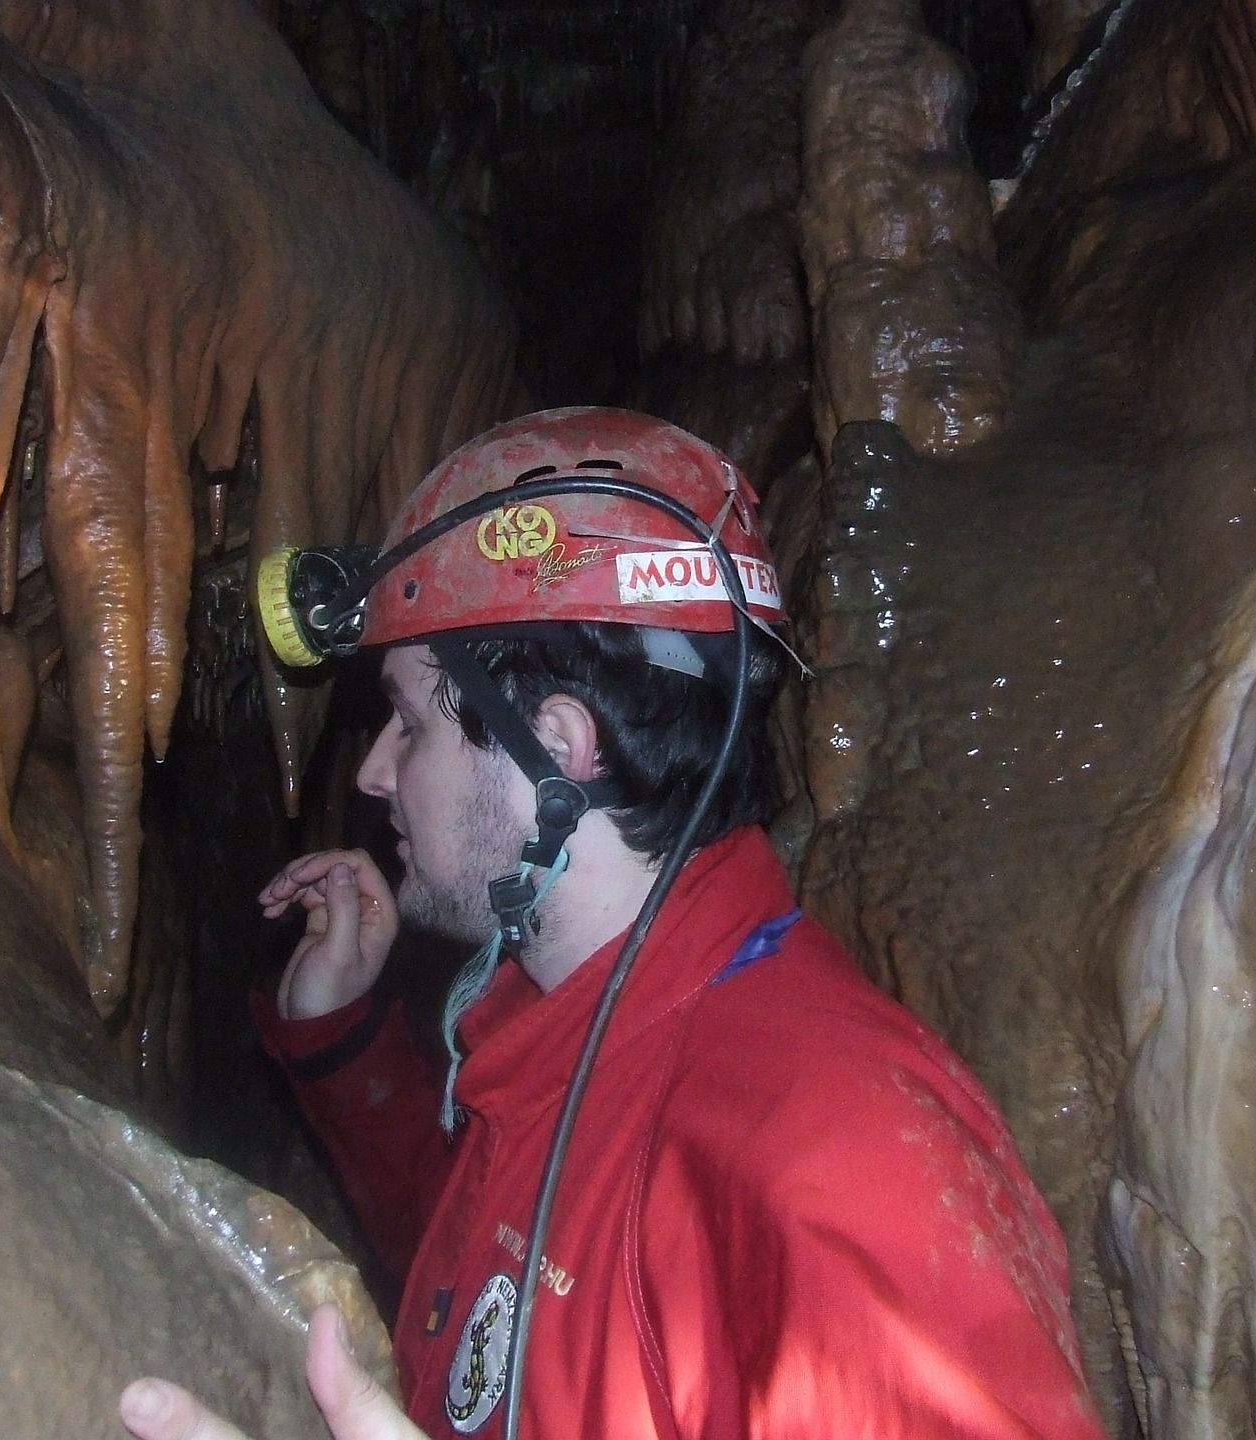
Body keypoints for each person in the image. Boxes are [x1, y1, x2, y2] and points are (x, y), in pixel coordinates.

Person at [120, 408, 1107, 1440]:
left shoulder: (837, 1168)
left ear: (556, 745)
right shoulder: (573, 1025)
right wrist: (342, 1045)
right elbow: (509, 1289)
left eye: (409, 725)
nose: (372, 773)